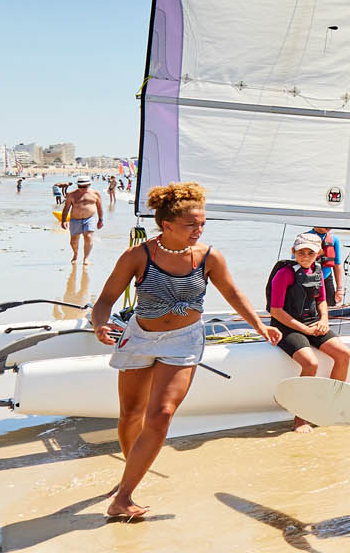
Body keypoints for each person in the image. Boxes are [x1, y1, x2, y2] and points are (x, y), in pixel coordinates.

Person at [90, 181, 280, 520]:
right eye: (191, 224)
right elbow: (106, 299)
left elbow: (234, 295)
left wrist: (259, 326)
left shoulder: (209, 257)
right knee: (131, 414)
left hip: (184, 341)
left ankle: (124, 496)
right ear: (167, 225)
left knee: (161, 413)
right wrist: (100, 324)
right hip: (140, 337)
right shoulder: (138, 256)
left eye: (202, 223)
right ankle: (129, 474)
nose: (199, 229)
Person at [267, 233, 350, 432]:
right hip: (285, 326)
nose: (305, 256)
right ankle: (301, 418)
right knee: (310, 363)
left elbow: (321, 300)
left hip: (313, 322)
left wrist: (323, 321)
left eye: (310, 253)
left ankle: (329, 407)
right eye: (301, 252)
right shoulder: (285, 274)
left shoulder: (318, 270)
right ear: (293, 252)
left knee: (343, 355)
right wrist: (304, 329)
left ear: (319, 253)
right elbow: (276, 311)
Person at [62, 175, 104, 264]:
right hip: (75, 220)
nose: (81, 188)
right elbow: (66, 208)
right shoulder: (71, 195)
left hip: (89, 218)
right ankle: (75, 254)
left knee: (88, 237)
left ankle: (86, 258)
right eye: (79, 186)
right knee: (73, 241)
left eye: (84, 186)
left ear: (89, 185)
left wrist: (100, 220)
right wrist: (63, 220)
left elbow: (99, 207)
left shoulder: (95, 194)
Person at [308, 226, 344, 305]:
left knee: (330, 307)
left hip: (327, 279)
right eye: (326, 224)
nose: (329, 227)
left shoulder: (334, 239)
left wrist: (339, 289)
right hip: (308, 280)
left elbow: (337, 264)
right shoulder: (305, 237)